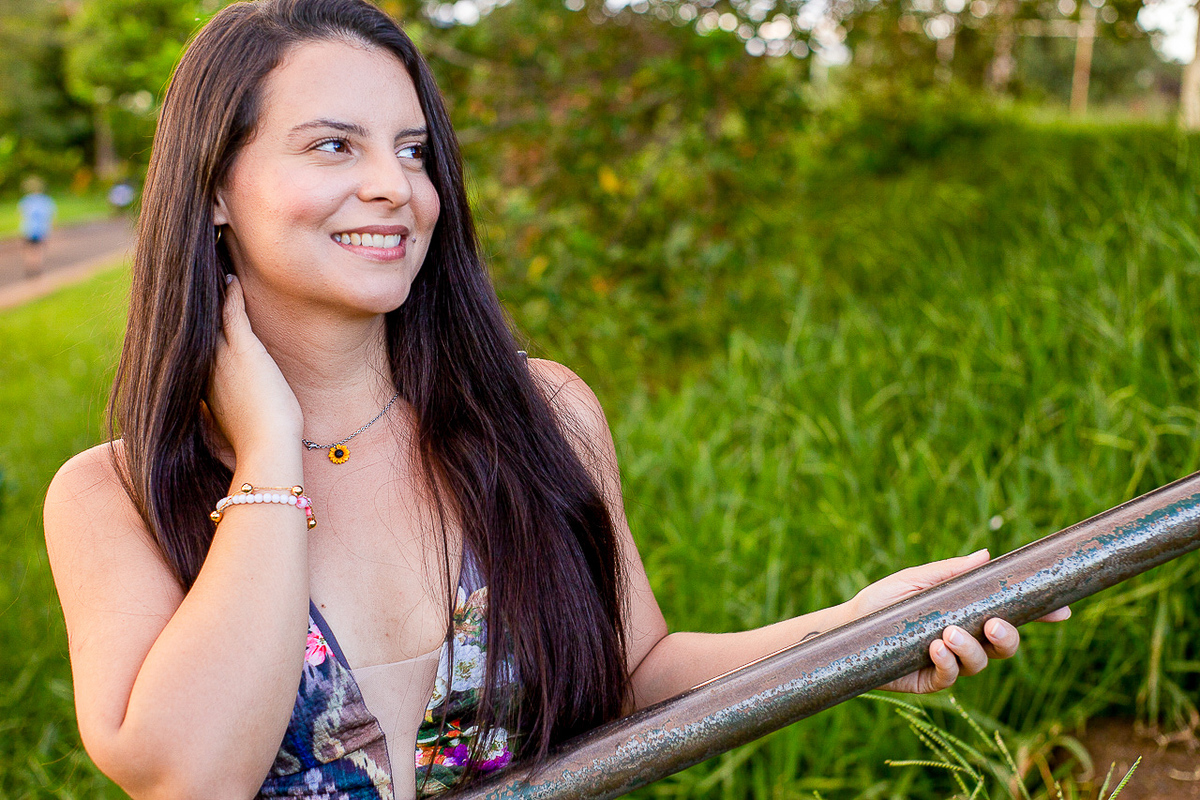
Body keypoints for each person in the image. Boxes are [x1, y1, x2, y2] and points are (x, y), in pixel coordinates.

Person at [42, 1, 1070, 798]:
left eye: (412, 150)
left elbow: (639, 672)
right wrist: (268, 452)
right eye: (333, 145)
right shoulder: (113, 496)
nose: (396, 187)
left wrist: (855, 636)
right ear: (216, 188)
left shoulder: (539, 413)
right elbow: (192, 775)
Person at [18, 176, 56, 277]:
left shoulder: (26, 200)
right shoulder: (46, 201)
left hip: (28, 229)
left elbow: (21, 213)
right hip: (41, 230)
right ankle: (37, 268)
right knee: (39, 249)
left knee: (29, 249)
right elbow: (50, 216)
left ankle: (30, 266)